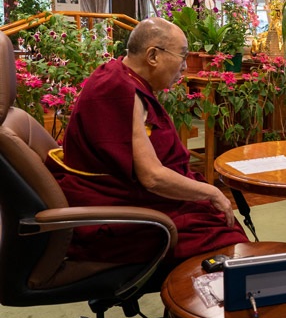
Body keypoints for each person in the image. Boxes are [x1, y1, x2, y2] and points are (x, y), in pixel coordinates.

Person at [45, 17, 249, 264]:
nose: (185, 66)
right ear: (153, 56)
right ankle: (200, 298)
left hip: (138, 198)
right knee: (226, 239)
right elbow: (152, 178)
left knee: (219, 220)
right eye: (182, 56)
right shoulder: (120, 90)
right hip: (123, 216)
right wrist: (212, 192)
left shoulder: (116, 74)